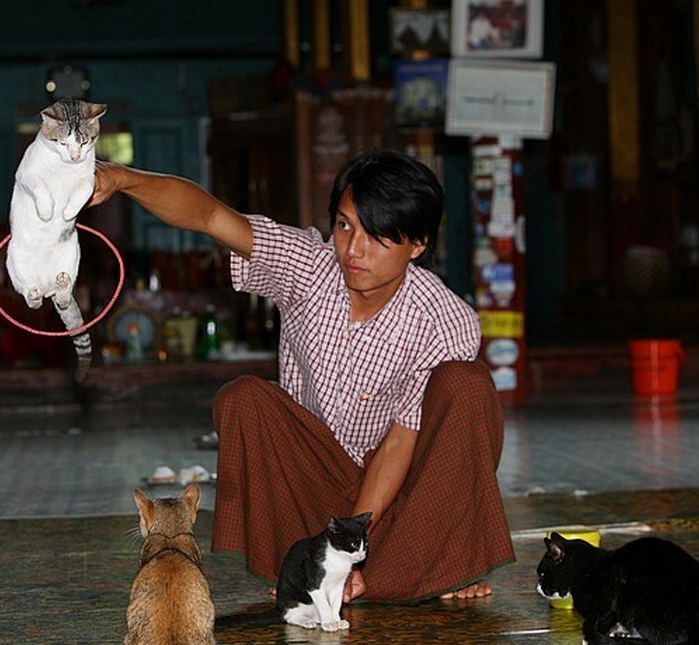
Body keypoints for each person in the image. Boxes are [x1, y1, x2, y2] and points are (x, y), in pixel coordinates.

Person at [90, 150, 515, 603]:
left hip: (395, 494)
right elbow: (210, 215)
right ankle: (309, 569)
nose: (353, 249)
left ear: (418, 244)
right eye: (345, 225)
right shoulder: (310, 267)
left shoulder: (445, 320)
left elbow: (399, 445)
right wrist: (121, 179)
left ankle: (439, 563)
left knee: (466, 385)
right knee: (244, 399)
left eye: (377, 237)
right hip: (311, 486)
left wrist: (347, 551)